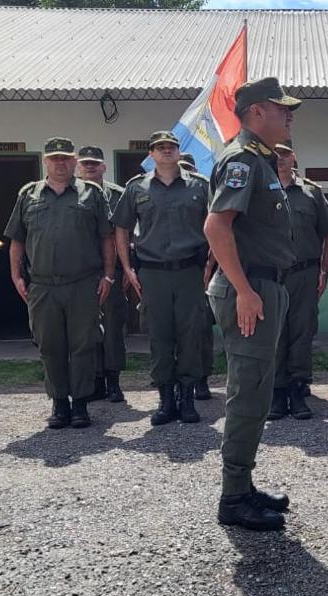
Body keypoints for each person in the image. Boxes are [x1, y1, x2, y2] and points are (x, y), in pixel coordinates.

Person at [204, 77, 301, 531]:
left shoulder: (262, 161)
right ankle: (233, 498)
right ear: (257, 111)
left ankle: (242, 486)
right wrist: (244, 290)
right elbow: (216, 227)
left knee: (258, 392)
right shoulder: (243, 160)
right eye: (283, 109)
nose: (289, 115)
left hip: (266, 288)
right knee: (247, 393)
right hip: (251, 290)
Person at [4, 137, 114, 429]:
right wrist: (16, 275)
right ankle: (59, 403)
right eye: (55, 158)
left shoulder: (91, 194)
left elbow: (106, 238)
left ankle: (80, 405)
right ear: (45, 161)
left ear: (74, 161)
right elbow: (17, 238)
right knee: (49, 346)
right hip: (42, 285)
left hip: (82, 284)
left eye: (66, 158)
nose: (60, 163)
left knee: (83, 345)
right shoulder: (28, 195)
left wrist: (108, 275)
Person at [112, 131, 211, 426]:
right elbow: (121, 228)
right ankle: (166, 400)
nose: (166, 151)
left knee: (191, 335)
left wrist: (212, 265)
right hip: (153, 273)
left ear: (179, 152)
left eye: (171, 147)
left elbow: (218, 224)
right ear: (151, 154)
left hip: (190, 272)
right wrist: (127, 268)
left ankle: (188, 398)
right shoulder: (136, 188)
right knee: (159, 336)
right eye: (160, 148)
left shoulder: (200, 186)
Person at [269, 140, 328, 420]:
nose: (280, 159)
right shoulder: (258, 191)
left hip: (304, 274)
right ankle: (276, 392)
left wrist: (323, 271)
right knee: (274, 335)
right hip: (270, 275)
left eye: (284, 153)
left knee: (301, 333)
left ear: (293, 156)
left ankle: (298, 391)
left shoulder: (311, 192)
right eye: (274, 154)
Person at [77, 145, 128, 403]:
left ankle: (113, 381)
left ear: (104, 166)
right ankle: (93, 380)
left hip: (113, 271)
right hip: (83, 273)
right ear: (79, 166)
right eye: (85, 163)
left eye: (94, 163)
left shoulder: (118, 195)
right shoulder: (71, 195)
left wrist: (127, 270)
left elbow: (126, 232)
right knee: (85, 328)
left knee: (112, 327)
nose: (90, 167)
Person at [179, 152, 216, 401]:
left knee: (201, 328)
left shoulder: (202, 192)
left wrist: (209, 265)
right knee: (175, 330)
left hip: (202, 268)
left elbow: (217, 231)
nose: (187, 173)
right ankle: (178, 380)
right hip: (173, 270)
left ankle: (202, 378)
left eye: (189, 169)